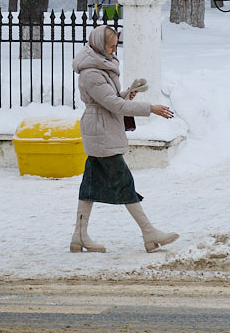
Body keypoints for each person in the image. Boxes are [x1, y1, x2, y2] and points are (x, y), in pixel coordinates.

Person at [70, 24, 179, 254]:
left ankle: (79, 236)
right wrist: (151, 108)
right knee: (124, 182)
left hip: (102, 128)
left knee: (89, 186)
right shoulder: (91, 72)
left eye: (115, 45)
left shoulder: (102, 66)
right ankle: (149, 233)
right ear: (99, 45)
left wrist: (127, 93)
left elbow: (111, 99)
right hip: (101, 131)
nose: (113, 50)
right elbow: (113, 104)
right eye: (110, 46)